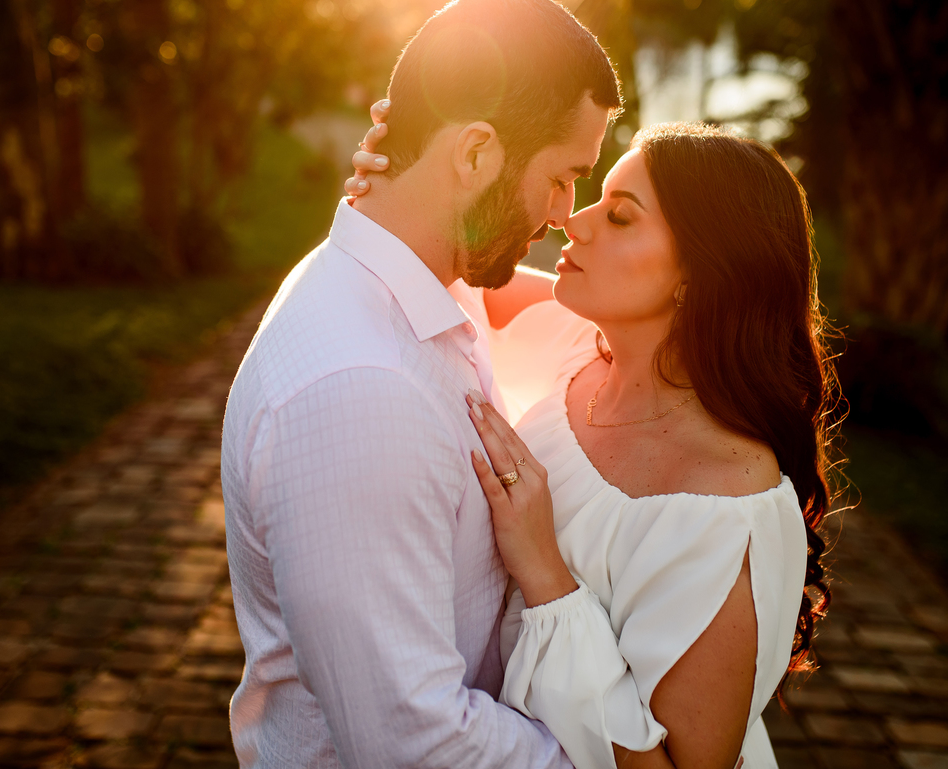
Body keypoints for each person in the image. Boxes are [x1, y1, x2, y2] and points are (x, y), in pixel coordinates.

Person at [346, 114, 838, 768]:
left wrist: (546, 570)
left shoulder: (729, 509)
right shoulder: (578, 341)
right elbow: (439, 262)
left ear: (699, 272)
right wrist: (402, 175)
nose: (574, 221)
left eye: (621, 216)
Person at [220, 0, 622, 768]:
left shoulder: (426, 281)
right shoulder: (360, 392)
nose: (564, 212)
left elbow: (565, 307)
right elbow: (414, 741)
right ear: (474, 153)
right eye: (564, 175)